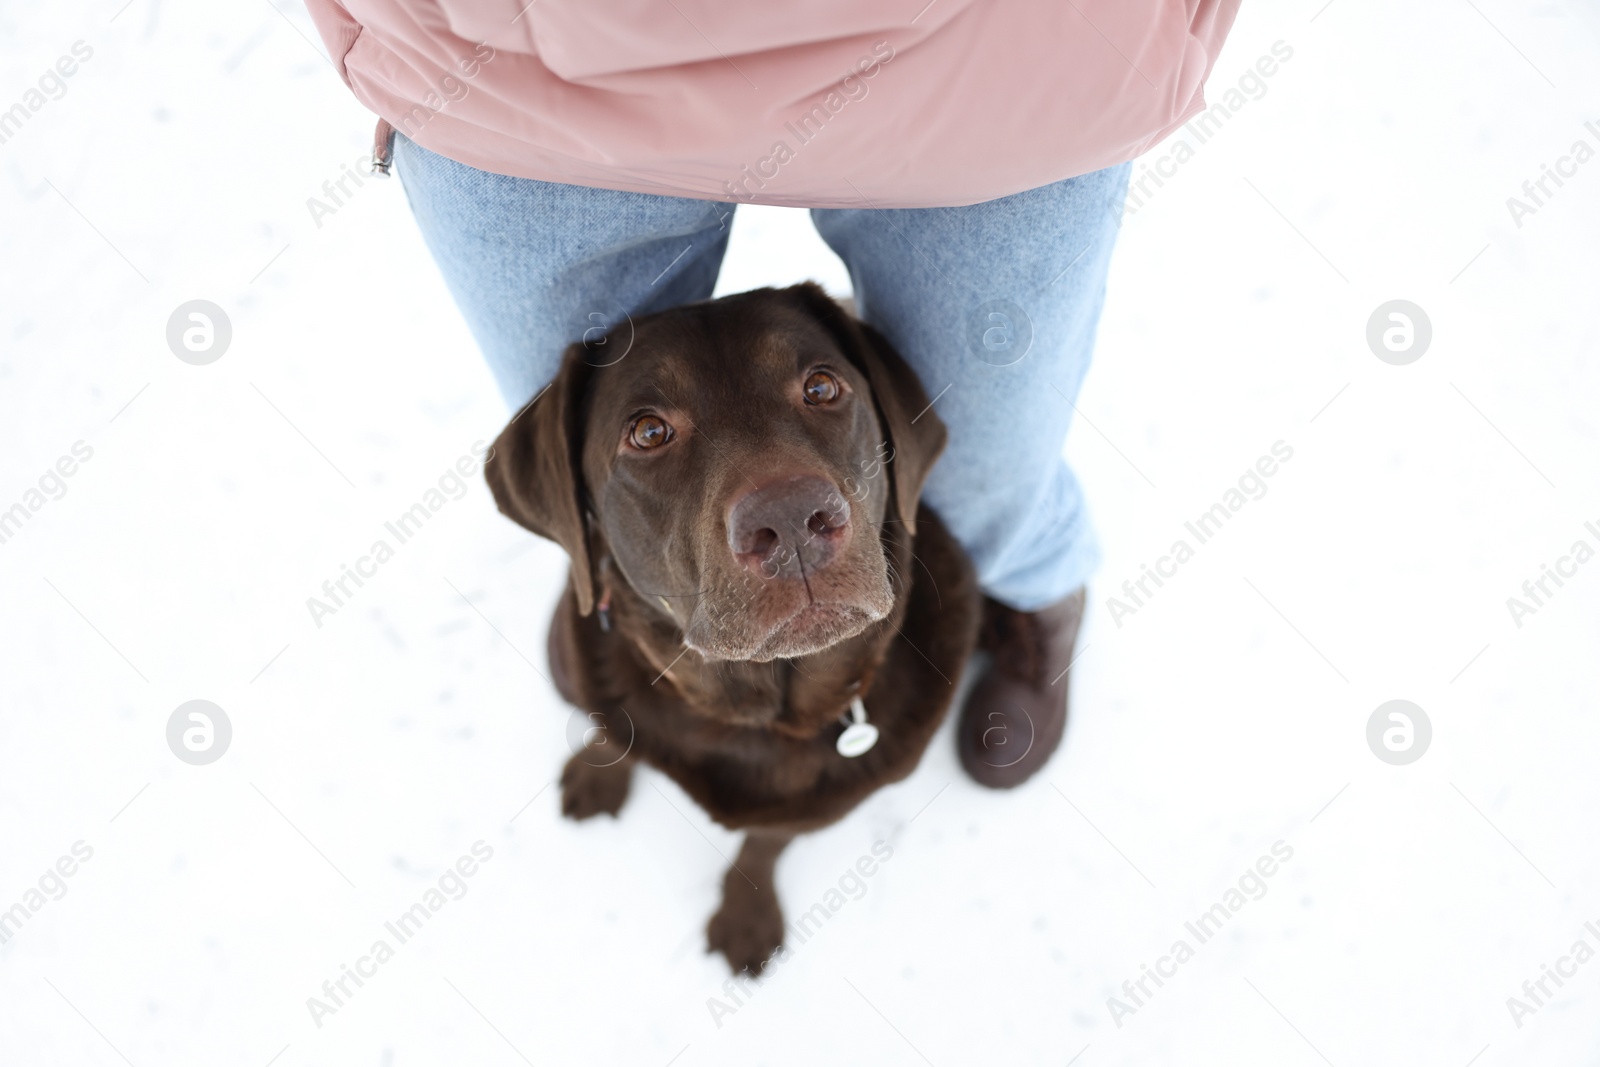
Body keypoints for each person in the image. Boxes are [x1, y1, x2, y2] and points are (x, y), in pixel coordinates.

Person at [305, 0, 1241, 787]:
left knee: (982, 470)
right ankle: (624, 569)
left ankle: (1028, 583)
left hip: (1001, 51)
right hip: (518, 66)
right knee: (587, 444)